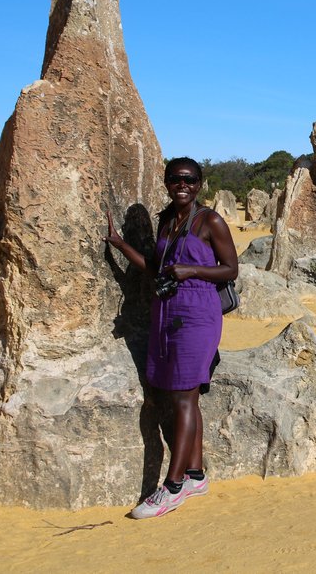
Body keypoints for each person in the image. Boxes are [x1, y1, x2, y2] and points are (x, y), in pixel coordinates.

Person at [104, 156, 238, 519]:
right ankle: (195, 475)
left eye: (190, 179)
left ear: (199, 184)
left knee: (183, 397)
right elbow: (154, 268)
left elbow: (231, 269)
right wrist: (119, 244)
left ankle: (173, 486)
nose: (183, 184)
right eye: (176, 178)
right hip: (167, 314)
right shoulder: (166, 220)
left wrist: (191, 270)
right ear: (166, 182)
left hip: (199, 314)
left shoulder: (210, 221)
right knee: (185, 397)